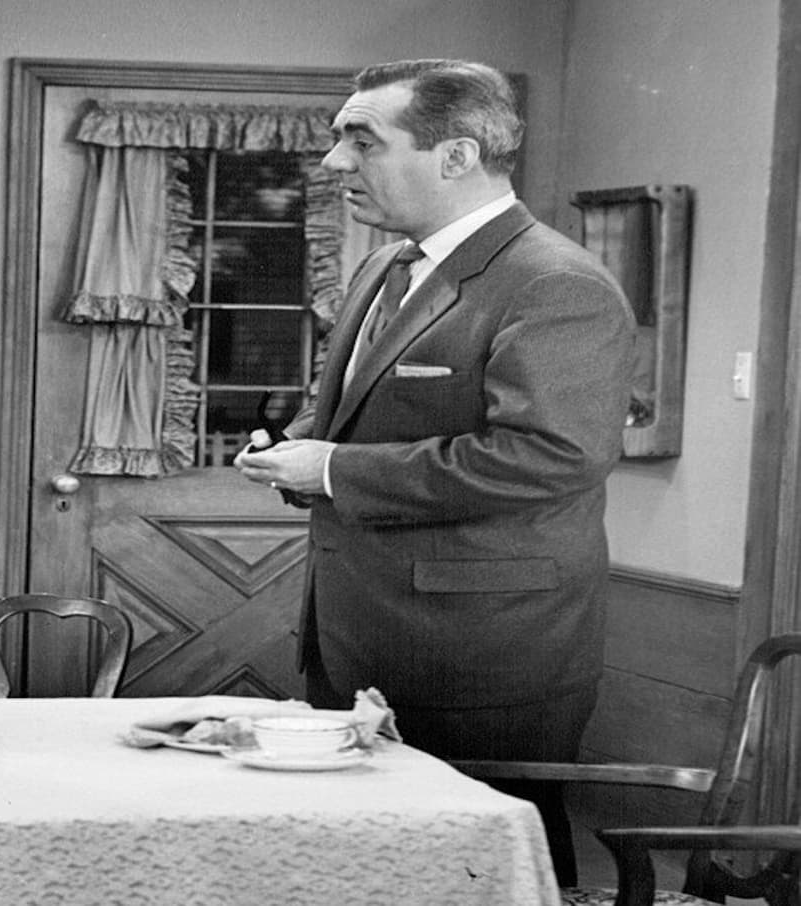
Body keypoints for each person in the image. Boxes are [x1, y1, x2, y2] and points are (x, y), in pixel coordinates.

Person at [233, 59, 633, 886]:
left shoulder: (555, 283)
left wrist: (336, 470)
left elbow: (552, 454)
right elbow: (362, 410)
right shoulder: (386, 267)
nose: (334, 162)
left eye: (362, 141)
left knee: (481, 874)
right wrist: (296, 448)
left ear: (456, 156)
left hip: (478, 655)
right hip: (358, 637)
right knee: (366, 874)